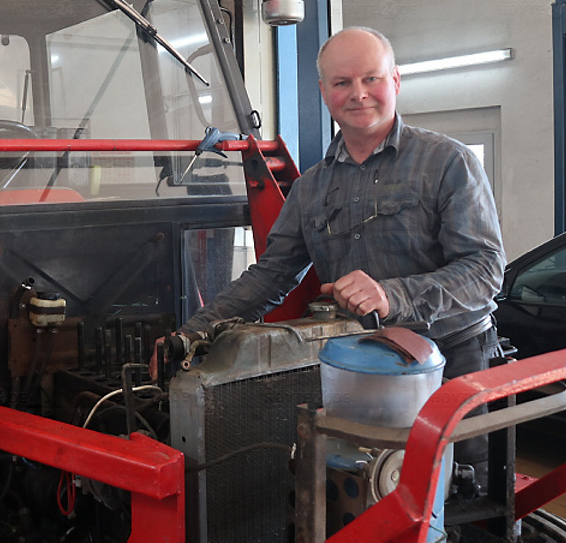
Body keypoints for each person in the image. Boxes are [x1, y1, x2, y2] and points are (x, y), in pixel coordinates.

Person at [173, 26, 506, 493]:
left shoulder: (447, 163)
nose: (358, 94)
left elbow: (484, 270)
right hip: (358, 369)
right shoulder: (311, 187)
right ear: (324, 92)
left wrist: (391, 295)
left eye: (371, 79)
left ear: (395, 81)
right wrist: (195, 331)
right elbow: (271, 275)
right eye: (342, 82)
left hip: (452, 362)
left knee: (461, 498)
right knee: (361, 494)